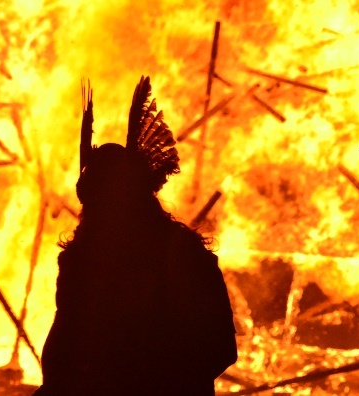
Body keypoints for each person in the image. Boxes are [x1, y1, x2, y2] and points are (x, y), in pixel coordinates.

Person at [34, 77, 237, 396]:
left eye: (107, 203)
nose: (99, 216)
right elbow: (63, 348)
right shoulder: (80, 261)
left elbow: (220, 347)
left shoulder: (182, 257)